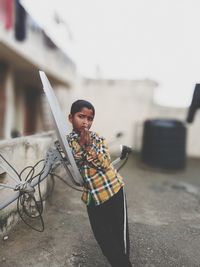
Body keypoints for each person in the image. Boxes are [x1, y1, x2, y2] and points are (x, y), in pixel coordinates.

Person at [67, 99, 132, 267]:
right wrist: (81, 147)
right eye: (81, 117)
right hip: (93, 196)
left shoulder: (97, 139)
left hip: (113, 190)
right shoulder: (67, 144)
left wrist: (88, 146)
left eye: (90, 119)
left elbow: (104, 164)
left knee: (120, 235)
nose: (86, 122)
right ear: (70, 118)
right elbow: (75, 165)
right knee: (103, 237)